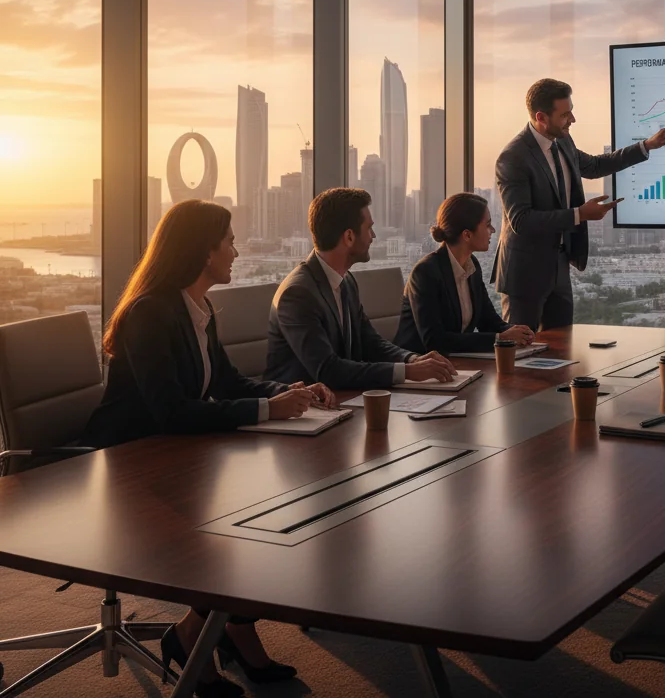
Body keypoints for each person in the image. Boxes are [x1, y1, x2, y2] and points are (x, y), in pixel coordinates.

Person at [81, 199, 335, 696]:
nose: (237, 251)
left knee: (264, 518)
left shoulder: (197, 308)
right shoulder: (149, 313)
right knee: (244, 531)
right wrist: (268, 410)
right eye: (230, 242)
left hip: (176, 452)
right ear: (204, 251)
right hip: (127, 462)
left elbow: (227, 381)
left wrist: (288, 392)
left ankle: (229, 629)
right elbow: (170, 411)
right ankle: (195, 637)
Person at [492, 77, 665, 331]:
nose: (573, 119)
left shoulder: (562, 141)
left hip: (559, 266)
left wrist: (646, 146)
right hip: (525, 274)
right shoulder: (513, 157)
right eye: (565, 115)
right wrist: (579, 214)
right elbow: (521, 221)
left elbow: (595, 166)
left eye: (571, 111)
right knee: (521, 346)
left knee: (562, 346)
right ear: (541, 117)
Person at [265, 188, 457, 389]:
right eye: (369, 228)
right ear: (349, 236)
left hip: (343, 397)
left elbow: (370, 342)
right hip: (306, 405)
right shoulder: (298, 294)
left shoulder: (346, 280)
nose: (373, 236)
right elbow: (328, 370)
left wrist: (412, 359)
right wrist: (407, 372)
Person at [395, 193, 535, 356]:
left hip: (456, 361)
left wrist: (517, 332)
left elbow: (488, 321)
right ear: (467, 235)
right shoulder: (425, 273)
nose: (493, 230)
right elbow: (435, 341)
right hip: (420, 363)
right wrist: (500, 338)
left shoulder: (472, 266)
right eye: (488, 225)